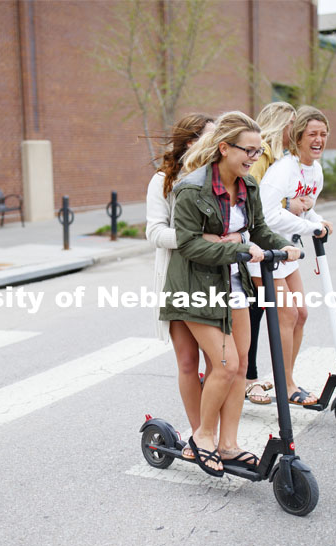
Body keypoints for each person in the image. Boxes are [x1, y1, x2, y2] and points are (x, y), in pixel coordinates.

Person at [160, 111, 301, 477]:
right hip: (195, 288)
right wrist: (236, 248)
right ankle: (203, 437)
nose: (254, 158)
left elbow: (259, 230)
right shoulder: (191, 189)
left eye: (258, 152)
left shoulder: (248, 186)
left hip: (234, 285)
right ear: (224, 148)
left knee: (239, 368)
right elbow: (189, 245)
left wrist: (284, 246)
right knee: (226, 365)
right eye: (249, 151)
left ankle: (229, 444)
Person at [145, 113, 220, 460]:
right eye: (211, 136)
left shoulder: (218, 179)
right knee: (188, 362)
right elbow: (154, 232)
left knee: (217, 362)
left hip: (213, 278)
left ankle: (211, 434)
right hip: (177, 277)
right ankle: (198, 435)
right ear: (191, 142)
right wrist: (194, 239)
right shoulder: (163, 180)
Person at [257, 105, 334, 406]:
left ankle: (288, 379)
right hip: (265, 251)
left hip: (288, 251)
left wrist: (319, 220)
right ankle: (284, 385)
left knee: (301, 313)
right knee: (286, 315)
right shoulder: (282, 171)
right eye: (312, 134)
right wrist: (308, 226)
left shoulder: (314, 170)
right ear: (298, 137)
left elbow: (307, 205)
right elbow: (266, 214)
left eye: (323, 134)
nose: (318, 140)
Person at [242, 101, 305, 405]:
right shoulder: (262, 154)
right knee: (257, 315)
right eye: (293, 122)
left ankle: (281, 380)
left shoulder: (283, 157)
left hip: (278, 245)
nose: (297, 128)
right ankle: (255, 379)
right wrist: (286, 206)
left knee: (290, 313)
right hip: (259, 246)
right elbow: (253, 201)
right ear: (281, 123)